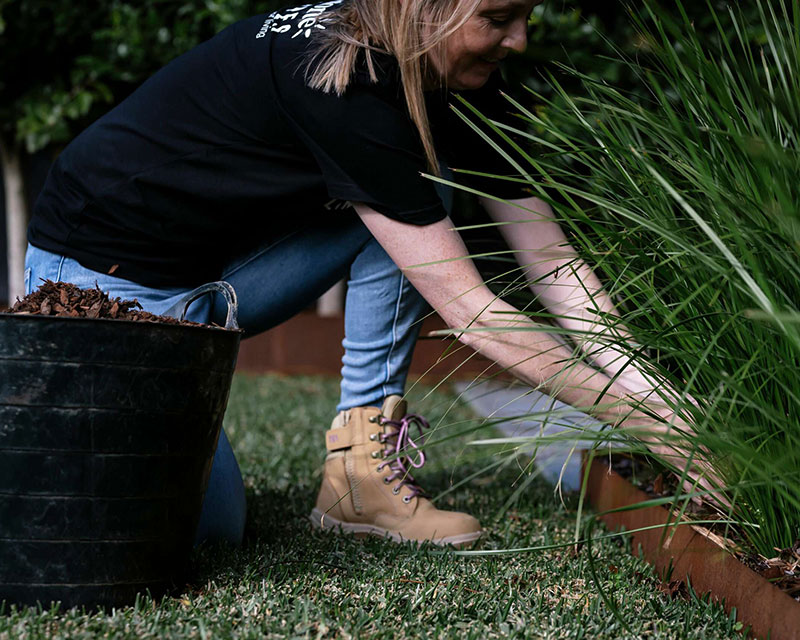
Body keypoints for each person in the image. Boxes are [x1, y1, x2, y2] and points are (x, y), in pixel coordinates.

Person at [24, 0, 700, 548]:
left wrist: (667, 409)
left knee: (420, 196)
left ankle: (359, 476)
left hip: (217, 279)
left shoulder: (452, 72)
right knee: (199, 531)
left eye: (527, 16)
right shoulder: (346, 79)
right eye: (498, 18)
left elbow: (552, 261)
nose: (519, 40)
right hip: (99, 283)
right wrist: (664, 433)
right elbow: (473, 314)